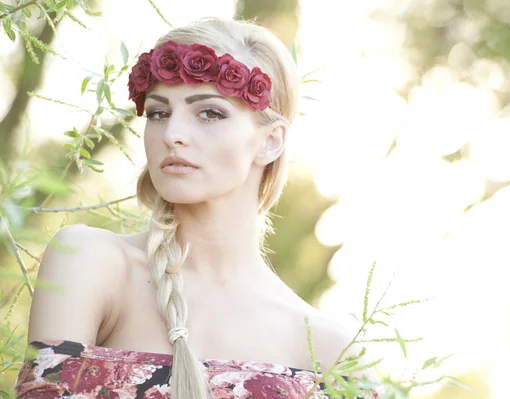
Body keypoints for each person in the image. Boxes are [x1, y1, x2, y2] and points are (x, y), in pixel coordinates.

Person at [13, 16, 378, 399]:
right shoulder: (91, 262)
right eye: (158, 113)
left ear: (270, 141)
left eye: (209, 113)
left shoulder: (329, 348)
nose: (172, 135)